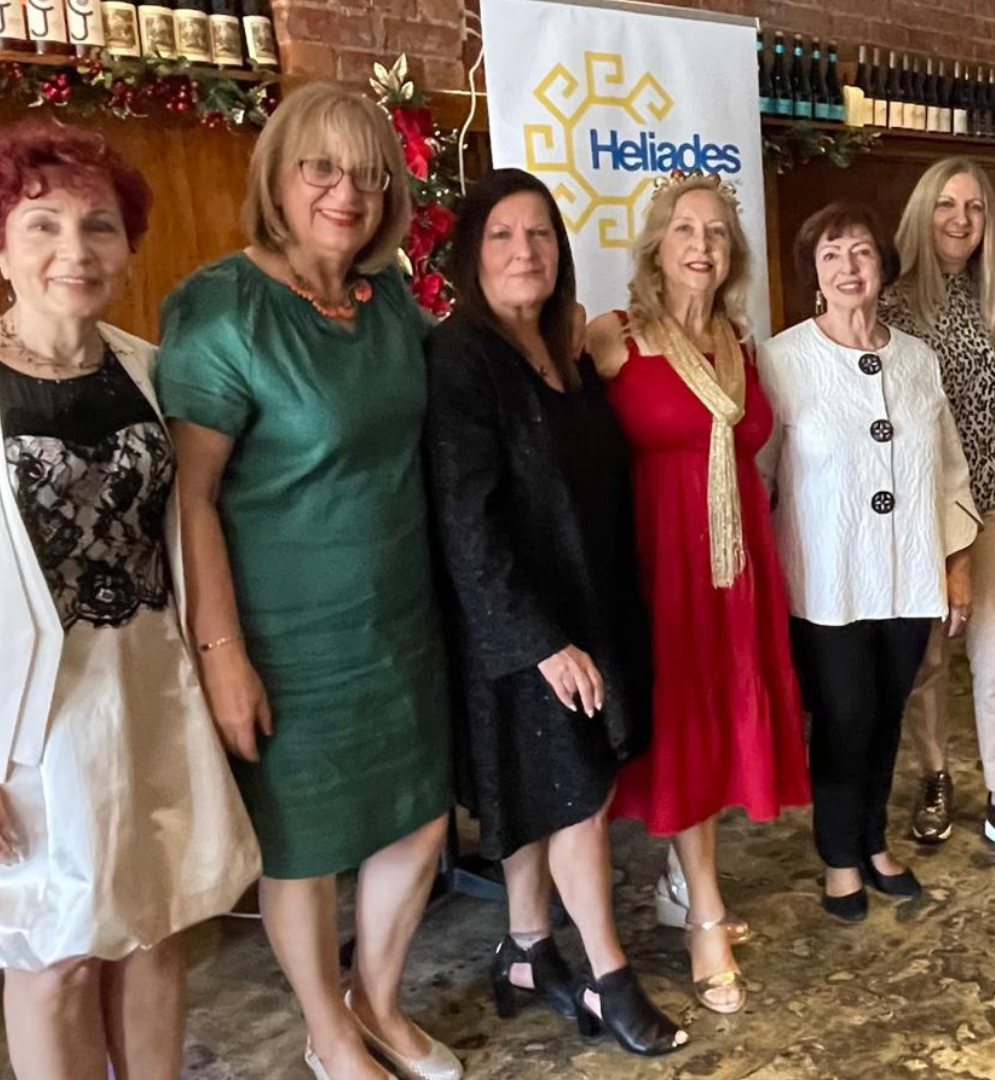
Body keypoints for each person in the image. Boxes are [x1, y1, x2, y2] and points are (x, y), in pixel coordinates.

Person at [0, 120, 260, 1080]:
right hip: (17, 731)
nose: (76, 250)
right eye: (44, 225)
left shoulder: (153, 369)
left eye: (99, 226)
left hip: (149, 699)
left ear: (128, 245)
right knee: (53, 955)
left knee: (155, 932)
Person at [155, 83, 460, 1080]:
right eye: (320, 168)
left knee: (420, 816)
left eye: (368, 175)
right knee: (307, 847)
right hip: (286, 633)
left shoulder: (391, 303)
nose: (346, 193)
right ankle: (328, 1035)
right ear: (276, 181)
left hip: (401, 618)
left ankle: (376, 1001)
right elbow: (191, 497)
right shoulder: (223, 308)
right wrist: (221, 654)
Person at [425, 168, 687, 1055]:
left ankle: (527, 950)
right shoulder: (462, 356)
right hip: (520, 625)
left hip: (588, 605)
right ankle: (610, 978)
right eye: (502, 235)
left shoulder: (560, 348)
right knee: (576, 796)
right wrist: (540, 641)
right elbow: (465, 517)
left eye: (539, 233)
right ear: (472, 253)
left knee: (537, 792)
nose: (524, 251)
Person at [585, 173, 811, 1014]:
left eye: (716, 232)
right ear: (657, 244)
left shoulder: (738, 344)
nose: (702, 245)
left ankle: (686, 885)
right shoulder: (616, 337)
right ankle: (704, 911)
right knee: (681, 723)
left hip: (736, 566)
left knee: (716, 723)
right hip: (658, 563)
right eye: (685, 229)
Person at [760, 201, 979, 921]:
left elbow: (950, 472)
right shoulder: (782, 360)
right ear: (813, 273)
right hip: (827, 581)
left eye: (860, 251)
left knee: (888, 713)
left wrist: (956, 565)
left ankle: (875, 840)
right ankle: (839, 856)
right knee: (844, 717)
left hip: (908, 575)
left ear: (883, 265)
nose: (848, 267)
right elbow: (758, 473)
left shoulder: (917, 360)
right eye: (831, 254)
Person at [878, 157, 995, 871]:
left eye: (974, 207)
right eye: (947, 204)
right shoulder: (890, 305)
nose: (960, 219)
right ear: (923, 212)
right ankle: (934, 774)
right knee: (926, 659)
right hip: (923, 513)